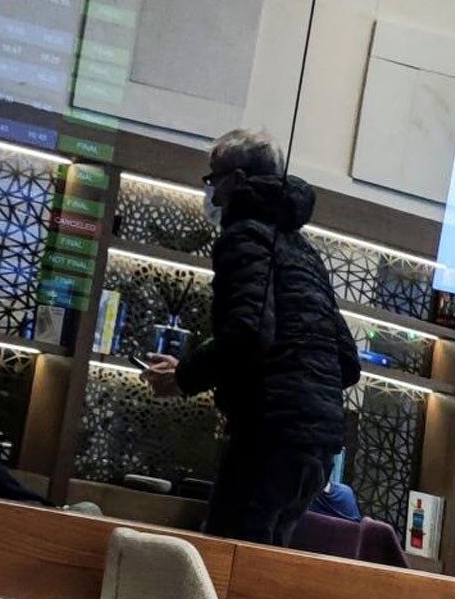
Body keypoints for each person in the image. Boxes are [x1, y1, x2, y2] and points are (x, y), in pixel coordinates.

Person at [142, 129, 362, 547]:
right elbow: (347, 363)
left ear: (237, 180)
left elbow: (248, 331)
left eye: (213, 179)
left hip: (269, 435)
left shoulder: (244, 236)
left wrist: (184, 376)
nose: (210, 191)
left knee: (227, 555)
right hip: (318, 446)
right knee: (260, 562)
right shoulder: (303, 250)